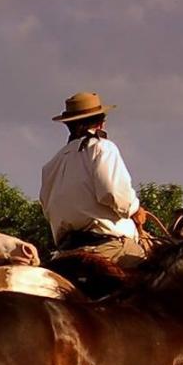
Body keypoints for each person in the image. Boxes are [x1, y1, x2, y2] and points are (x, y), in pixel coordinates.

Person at [40, 91, 147, 267]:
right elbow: (113, 194)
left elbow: (47, 209)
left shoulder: (53, 163)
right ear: (101, 123)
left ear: (69, 125)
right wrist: (135, 208)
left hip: (65, 252)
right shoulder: (103, 148)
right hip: (109, 248)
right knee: (160, 277)